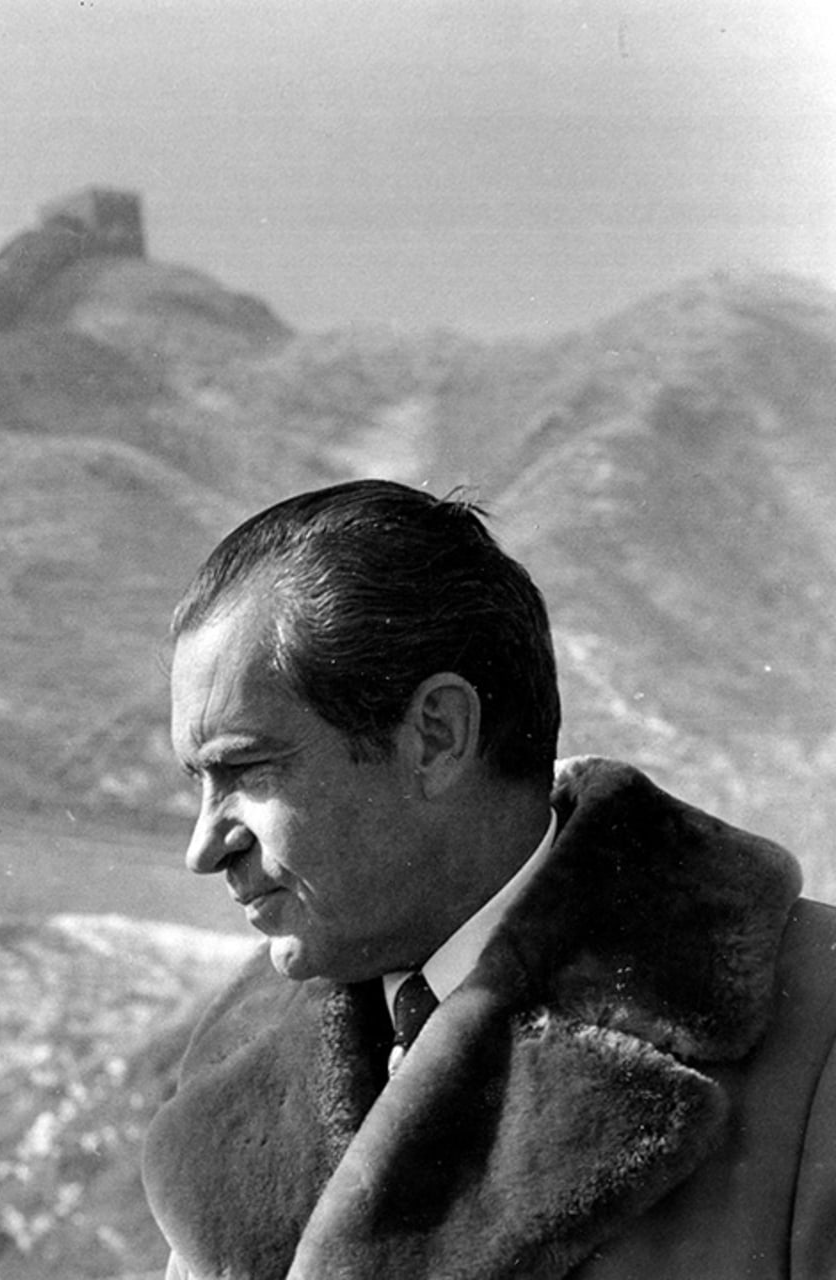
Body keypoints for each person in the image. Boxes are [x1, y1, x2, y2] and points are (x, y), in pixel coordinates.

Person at [140, 479, 836, 1279]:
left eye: (247, 770)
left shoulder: (816, 1031)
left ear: (436, 735)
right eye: (197, 780)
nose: (203, 846)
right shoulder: (236, 1087)